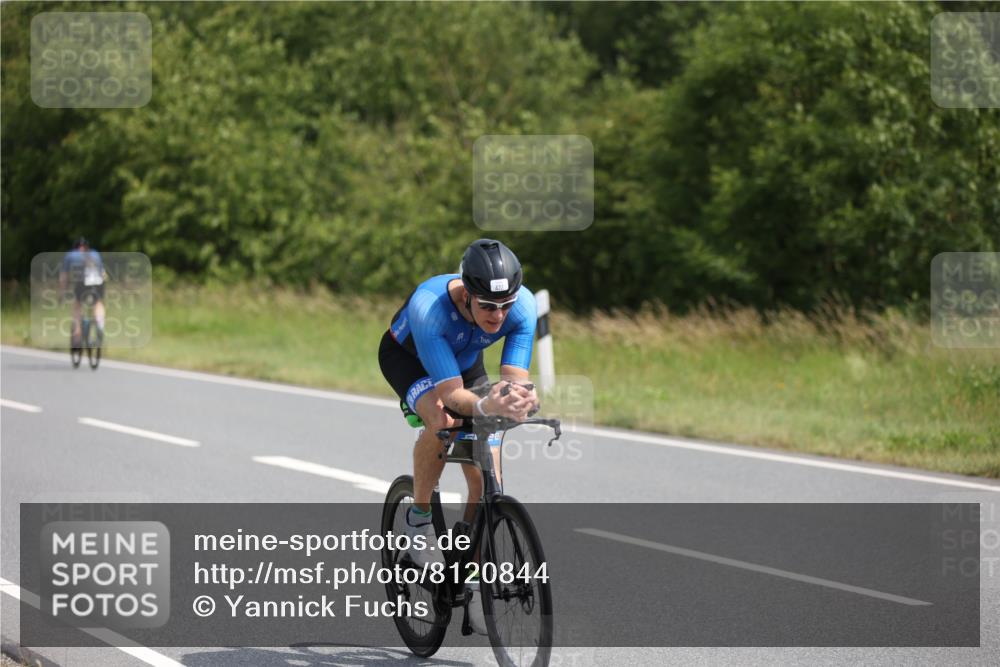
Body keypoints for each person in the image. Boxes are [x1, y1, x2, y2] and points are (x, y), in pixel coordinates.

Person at [378, 238, 539, 633]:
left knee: (486, 475)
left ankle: (469, 573)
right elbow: (451, 396)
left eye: (505, 306)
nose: (498, 316)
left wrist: (519, 399)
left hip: (465, 364)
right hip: (410, 360)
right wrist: (486, 407)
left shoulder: (523, 307)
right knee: (445, 419)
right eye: (487, 306)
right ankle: (418, 520)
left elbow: (514, 381)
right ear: (466, 294)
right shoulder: (430, 308)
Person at [59, 237, 106, 348]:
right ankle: (100, 325)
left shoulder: (71, 255)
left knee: (77, 306)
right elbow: (103, 273)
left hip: (83, 281)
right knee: (98, 303)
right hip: (97, 281)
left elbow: (64, 277)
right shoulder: (95, 253)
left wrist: (62, 293)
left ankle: (77, 338)